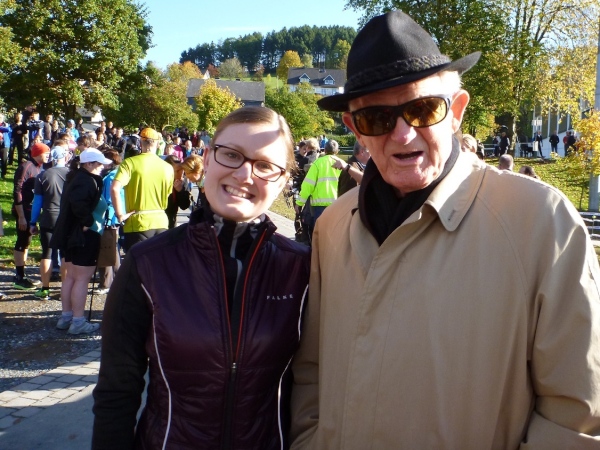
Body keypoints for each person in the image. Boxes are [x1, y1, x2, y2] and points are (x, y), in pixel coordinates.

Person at [291, 10, 600, 449]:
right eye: (377, 118)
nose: (402, 135)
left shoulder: (541, 222)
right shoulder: (333, 226)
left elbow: (577, 418)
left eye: (422, 110)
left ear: (455, 111)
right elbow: (312, 373)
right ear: (355, 129)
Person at [92, 106, 311, 449]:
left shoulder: (303, 268)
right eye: (231, 155)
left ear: (283, 180)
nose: (244, 174)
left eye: (265, 165)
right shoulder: (149, 264)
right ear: (207, 159)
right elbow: (117, 391)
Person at [50, 149, 110, 334]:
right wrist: (88, 222)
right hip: (84, 235)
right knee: (82, 279)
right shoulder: (86, 180)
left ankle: (66, 317)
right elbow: (79, 204)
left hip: (71, 234)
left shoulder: (76, 177)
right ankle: (78, 321)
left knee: (71, 277)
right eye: (99, 164)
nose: (102, 167)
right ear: (89, 164)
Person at [110, 127, 174, 251]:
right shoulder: (168, 167)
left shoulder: (129, 163)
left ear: (140, 143)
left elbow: (114, 189)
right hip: (161, 222)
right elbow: (167, 194)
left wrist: (120, 215)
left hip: (138, 223)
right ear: (157, 143)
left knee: (138, 263)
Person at [29, 144, 70, 299]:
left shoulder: (42, 175)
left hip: (49, 217)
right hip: (66, 218)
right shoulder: (72, 174)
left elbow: (37, 202)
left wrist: (32, 222)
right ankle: (65, 290)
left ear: (52, 158)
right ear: (65, 157)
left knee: (47, 253)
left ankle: (45, 289)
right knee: (65, 255)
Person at [12, 142, 50, 290]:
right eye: (46, 153)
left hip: (31, 210)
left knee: (27, 241)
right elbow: (17, 191)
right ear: (38, 153)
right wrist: (21, 216)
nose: (48, 155)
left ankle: (23, 274)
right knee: (22, 240)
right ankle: (19, 277)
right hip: (23, 210)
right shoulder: (26, 166)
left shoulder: (40, 167)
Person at [296, 140, 342, 236]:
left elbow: (308, 185)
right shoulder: (342, 164)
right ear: (337, 151)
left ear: (324, 150)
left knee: (319, 236)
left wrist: (299, 203)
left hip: (319, 207)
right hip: (337, 206)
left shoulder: (318, 163)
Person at [163, 155, 192, 228]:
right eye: (178, 171)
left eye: (182, 169)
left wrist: (180, 191)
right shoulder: (161, 180)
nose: (181, 173)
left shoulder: (183, 181)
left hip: (172, 222)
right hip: (159, 220)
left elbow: (185, 206)